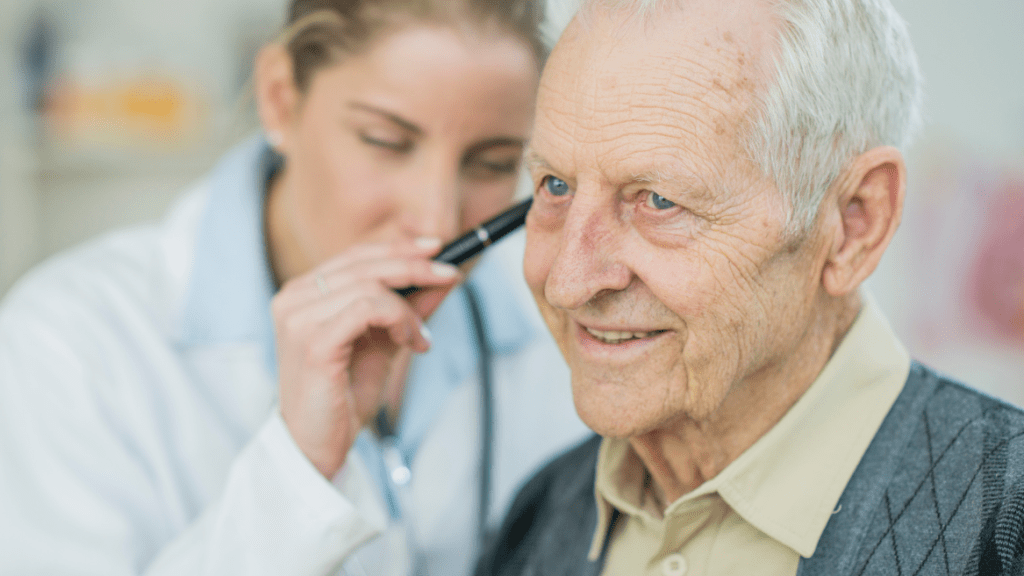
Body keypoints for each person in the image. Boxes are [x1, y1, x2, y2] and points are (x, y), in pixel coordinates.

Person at [0, 1, 589, 574]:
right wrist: (296, 469)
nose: (436, 220)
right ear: (280, 99)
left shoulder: (555, 330)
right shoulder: (69, 342)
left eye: (490, 164)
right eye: (386, 142)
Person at [477, 0, 1024, 575]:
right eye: (555, 186)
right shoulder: (536, 519)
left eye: (659, 201)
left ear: (853, 224)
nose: (566, 281)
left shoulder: (1005, 528)